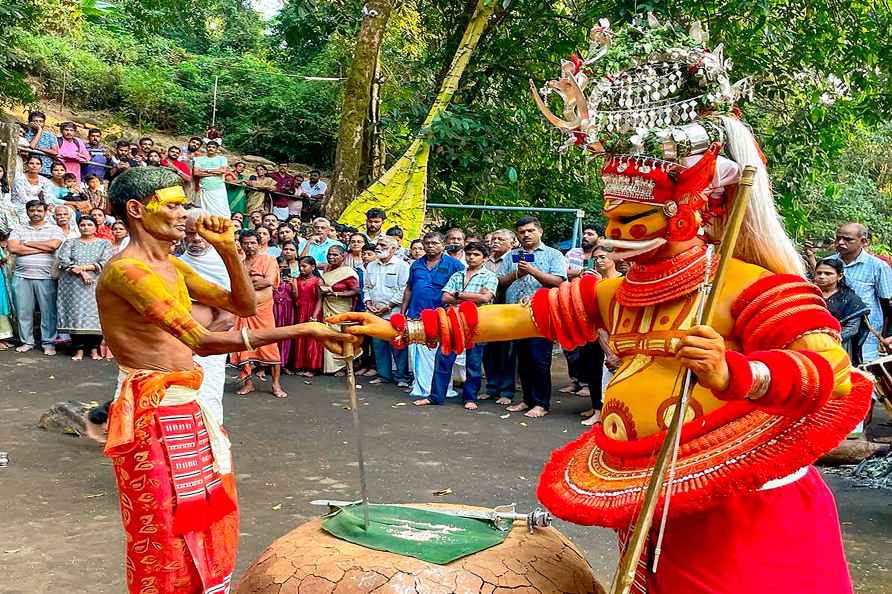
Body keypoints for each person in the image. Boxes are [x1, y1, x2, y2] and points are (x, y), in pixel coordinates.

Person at [335, 22, 869, 591]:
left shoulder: (747, 286)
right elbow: (519, 316)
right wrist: (402, 329)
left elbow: (831, 372)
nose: (613, 236)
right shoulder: (616, 291)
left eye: (632, 222)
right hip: (650, 495)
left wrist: (734, 371)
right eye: (609, 222)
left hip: (746, 517)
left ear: (686, 213)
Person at [95, 166, 352, 593]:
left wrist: (229, 250)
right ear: (137, 210)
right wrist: (304, 329)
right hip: (151, 412)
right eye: (174, 204)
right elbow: (201, 339)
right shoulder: (128, 272)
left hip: (184, 405)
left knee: (206, 511)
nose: (184, 213)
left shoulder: (172, 265)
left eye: (184, 204)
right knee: (161, 526)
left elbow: (243, 304)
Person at [497, 216, 567, 417]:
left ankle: (541, 404)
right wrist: (516, 274)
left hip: (541, 314)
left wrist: (533, 271)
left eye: (530, 231)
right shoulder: (512, 254)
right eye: (522, 232)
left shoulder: (553, 255)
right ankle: (527, 400)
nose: (526, 235)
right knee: (523, 359)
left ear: (540, 232)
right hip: (515, 315)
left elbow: (559, 282)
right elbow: (499, 282)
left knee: (539, 359)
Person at [420, 241, 497, 410]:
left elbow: (485, 299)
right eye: (469, 254)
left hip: (477, 324)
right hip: (452, 323)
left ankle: (470, 398)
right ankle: (435, 397)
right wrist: (472, 296)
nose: (471, 257)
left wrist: (458, 295)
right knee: (443, 360)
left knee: (474, 363)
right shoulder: (457, 275)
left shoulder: (490, 276)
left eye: (476, 254)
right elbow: (445, 298)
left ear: (484, 258)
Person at [178, 213, 235, 426]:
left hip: (210, 344)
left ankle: (212, 443)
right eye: (190, 233)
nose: (196, 239)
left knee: (207, 393)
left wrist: (199, 342)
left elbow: (229, 316)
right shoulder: (176, 264)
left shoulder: (224, 265)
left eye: (201, 234)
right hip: (177, 344)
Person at [402, 231, 464, 399]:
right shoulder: (416, 265)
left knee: (440, 354)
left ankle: (440, 389)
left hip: (442, 318)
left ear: (443, 245)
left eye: (434, 243)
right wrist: (403, 312)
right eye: (427, 243)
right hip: (416, 315)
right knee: (418, 354)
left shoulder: (454, 265)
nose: (430, 246)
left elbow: (462, 289)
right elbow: (409, 289)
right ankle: (421, 387)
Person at [229, 229, 287, 398]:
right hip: (242, 311)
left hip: (263, 310)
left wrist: (245, 285)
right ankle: (248, 383)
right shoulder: (240, 262)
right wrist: (252, 282)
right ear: (240, 244)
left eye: (253, 242)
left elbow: (268, 281)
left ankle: (276, 384)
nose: (249, 246)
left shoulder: (269, 259)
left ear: (259, 242)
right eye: (245, 243)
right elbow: (234, 284)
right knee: (242, 344)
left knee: (270, 344)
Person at [827, 222, 892, 362]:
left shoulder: (878, 267)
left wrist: (887, 335)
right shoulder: (827, 264)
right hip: (832, 330)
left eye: (847, 239)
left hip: (866, 333)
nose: (840, 242)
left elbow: (887, 303)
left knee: (863, 372)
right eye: (838, 238)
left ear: (863, 242)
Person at [7, 200, 65, 354]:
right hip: (21, 276)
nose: (35, 213)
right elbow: (13, 248)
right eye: (32, 210)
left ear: (45, 211)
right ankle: (27, 341)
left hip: (46, 276)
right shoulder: (18, 229)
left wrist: (28, 243)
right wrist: (42, 248)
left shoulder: (55, 229)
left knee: (48, 311)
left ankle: (49, 343)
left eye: (39, 210)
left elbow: (54, 246)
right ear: (27, 212)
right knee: (23, 311)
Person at [56, 217, 113, 360]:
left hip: (96, 284)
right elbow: (63, 260)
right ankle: (78, 351)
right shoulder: (70, 242)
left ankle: (94, 350)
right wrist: (82, 273)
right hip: (73, 286)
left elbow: (106, 261)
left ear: (96, 227)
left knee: (95, 316)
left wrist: (83, 268)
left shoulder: (104, 244)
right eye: (82, 225)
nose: (86, 227)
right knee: (76, 316)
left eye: (89, 225)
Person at [364, 236, 410, 387]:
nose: (378, 247)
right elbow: (367, 288)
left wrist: (388, 306)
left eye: (383, 245)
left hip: (394, 312)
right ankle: (384, 375)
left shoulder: (402, 266)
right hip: (375, 312)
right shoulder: (371, 266)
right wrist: (368, 302)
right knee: (379, 345)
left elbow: (404, 289)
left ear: (394, 249)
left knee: (397, 344)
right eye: (378, 244)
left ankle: (402, 377)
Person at [482, 228, 516, 403]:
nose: (495, 241)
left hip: (507, 311)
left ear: (512, 242)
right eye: (493, 238)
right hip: (487, 312)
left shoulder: (515, 258)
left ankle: (506, 392)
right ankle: (492, 387)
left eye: (501, 239)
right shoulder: (483, 260)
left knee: (506, 352)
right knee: (489, 352)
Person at [814, 257, 870, 365]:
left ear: (839, 276)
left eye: (828, 273)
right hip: (808, 343)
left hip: (839, 345)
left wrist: (829, 339)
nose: (822, 276)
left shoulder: (850, 299)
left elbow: (852, 328)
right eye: (819, 273)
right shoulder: (808, 294)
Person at [320, 244, 360, 375]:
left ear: (343, 256)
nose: (331, 257)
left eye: (335, 255)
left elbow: (355, 291)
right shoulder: (327, 269)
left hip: (341, 307)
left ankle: (344, 365)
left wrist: (336, 294)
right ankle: (331, 367)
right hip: (327, 305)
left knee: (339, 334)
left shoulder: (348, 272)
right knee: (328, 334)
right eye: (329, 254)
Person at [291, 256, 324, 376]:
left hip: (313, 310)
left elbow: (320, 299)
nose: (301, 269)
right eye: (300, 266)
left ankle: (313, 367)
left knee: (312, 339)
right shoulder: (297, 280)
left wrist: (315, 315)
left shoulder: (317, 281)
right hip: (300, 311)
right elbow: (295, 298)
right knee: (300, 338)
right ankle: (300, 365)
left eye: (304, 266)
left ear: (313, 267)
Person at [274, 243, 299, 373]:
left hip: (288, 310)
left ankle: (284, 364)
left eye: (284, 267)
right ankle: (269, 364)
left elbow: (296, 297)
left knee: (287, 336)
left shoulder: (292, 279)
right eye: (280, 267)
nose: (282, 269)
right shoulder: (271, 278)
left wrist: (292, 284)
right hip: (274, 310)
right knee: (272, 336)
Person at [192, 141, 229, 218]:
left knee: (221, 210)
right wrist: (215, 172)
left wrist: (206, 170)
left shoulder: (222, 159)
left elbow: (223, 171)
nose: (211, 149)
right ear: (206, 148)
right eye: (209, 147)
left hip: (218, 188)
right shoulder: (199, 159)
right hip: (204, 188)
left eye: (213, 147)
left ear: (217, 149)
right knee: (206, 212)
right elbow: (196, 173)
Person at [23, 111, 59, 176]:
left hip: (47, 170)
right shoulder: (25, 134)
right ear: (30, 122)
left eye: (41, 121)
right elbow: (31, 146)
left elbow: (55, 152)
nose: (38, 123)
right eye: (36, 121)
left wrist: (38, 149)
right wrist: (39, 131)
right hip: (30, 169)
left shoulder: (50, 135)